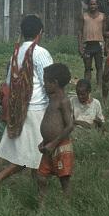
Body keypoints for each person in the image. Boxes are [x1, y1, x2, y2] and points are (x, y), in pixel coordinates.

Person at [0, 15, 54, 191]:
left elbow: (9, 83)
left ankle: (35, 187)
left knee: (32, 153)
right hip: (37, 109)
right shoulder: (41, 53)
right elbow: (50, 83)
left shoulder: (15, 54)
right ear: (40, 32)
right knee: (34, 154)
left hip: (19, 107)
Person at [36, 63, 75, 202]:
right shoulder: (52, 100)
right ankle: (41, 207)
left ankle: (66, 206)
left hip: (60, 146)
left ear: (55, 83)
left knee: (64, 179)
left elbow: (70, 126)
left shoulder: (63, 101)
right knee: (40, 176)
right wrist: (45, 141)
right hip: (49, 146)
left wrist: (54, 142)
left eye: (46, 82)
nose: (44, 84)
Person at [77, 0, 106, 88]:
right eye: (90, 4)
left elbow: (105, 32)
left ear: (97, 5)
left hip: (99, 44)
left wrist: (107, 46)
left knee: (99, 67)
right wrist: (80, 45)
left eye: (94, 4)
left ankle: (99, 86)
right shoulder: (84, 16)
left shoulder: (102, 16)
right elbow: (80, 31)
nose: (92, 6)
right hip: (87, 45)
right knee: (87, 67)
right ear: (88, 5)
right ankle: (86, 86)